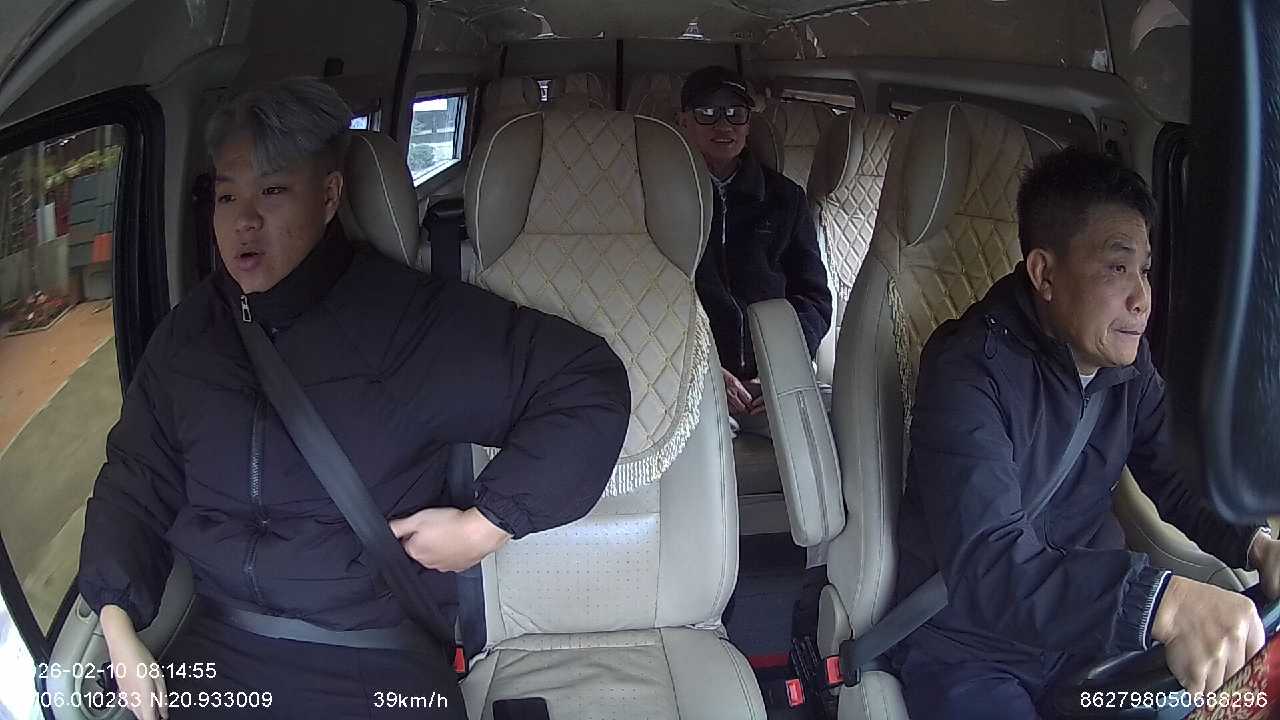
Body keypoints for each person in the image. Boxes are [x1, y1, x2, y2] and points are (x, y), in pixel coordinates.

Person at [76, 77, 631, 719]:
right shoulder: (188, 338)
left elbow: (586, 384)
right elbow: (137, 475)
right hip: (219, 646)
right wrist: (117, 623)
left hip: (375, 658)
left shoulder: (410, 320)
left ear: (330, 195)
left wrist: (486, 526)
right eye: (228, 196)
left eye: (273, 191)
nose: (245, 220)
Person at [892, 147, 1280, 719]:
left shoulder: (1128, 366)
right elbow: (989, 563)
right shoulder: (966, 371)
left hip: (1083, 641)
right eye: (1117, 268)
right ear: (1045, 274)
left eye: (1144, 270)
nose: (1142, 298)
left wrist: (1258, 544)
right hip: (971, 650)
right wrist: (1163, 604)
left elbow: (1177, 477)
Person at [677, 66, 831, 430]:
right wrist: (703, 371)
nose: (724, 125)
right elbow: (653, 304)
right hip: (690, 377)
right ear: (683, 122)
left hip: (772, 372)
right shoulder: (661, 200)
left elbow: (813, 297)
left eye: (736, 113)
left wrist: (782, 366)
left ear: (749, 125)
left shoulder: (785, 198)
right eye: (707, 112)